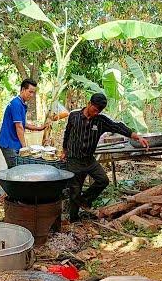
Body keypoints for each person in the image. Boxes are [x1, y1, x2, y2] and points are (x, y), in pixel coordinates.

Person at [61, 93, 150, 222]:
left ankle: (84, 200)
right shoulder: (74, 116)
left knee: (103, 180)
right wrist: (64, 150)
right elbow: (67, 134)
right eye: (95, 109)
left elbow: (118, 126)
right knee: (75, 189)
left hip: (89, 160)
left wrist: (137, 137)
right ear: (89, 103)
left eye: (99, 111)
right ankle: (74, 219)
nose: (97, 113)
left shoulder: (100, 121)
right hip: (74, 159)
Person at [0, 79, 49, 168]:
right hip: (9, 142)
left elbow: (23, 123)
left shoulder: (21, 103)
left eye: (33, 93)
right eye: (30, 92)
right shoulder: (16, 104)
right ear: (23, 90)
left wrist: (40, 128)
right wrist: (24, 148)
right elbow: (19, 127)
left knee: (18, 168)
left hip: (14, 142)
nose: (32, 95)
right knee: (15, 169)